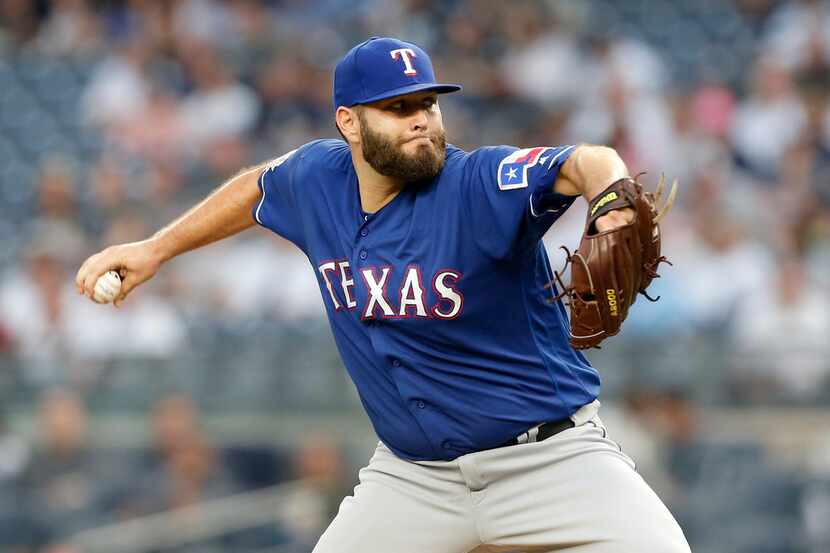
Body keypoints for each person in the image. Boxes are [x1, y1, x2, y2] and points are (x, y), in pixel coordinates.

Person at [76, 37, 690, 552]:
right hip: (413, 480)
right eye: (398, 107)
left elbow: (589, 159)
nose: (422, 117)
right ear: (349, 122)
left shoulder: (480, 184)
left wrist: (610, 199)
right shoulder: (317, 178)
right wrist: (156, 249)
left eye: (428, 102)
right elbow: (256, 186)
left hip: (551, 462)